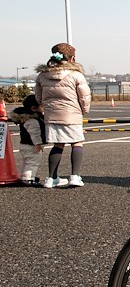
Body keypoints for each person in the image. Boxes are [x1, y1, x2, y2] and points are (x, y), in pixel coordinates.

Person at [35, 43, 91, 188]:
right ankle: (75, 176)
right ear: (72, 58)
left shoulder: (42, 75)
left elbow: (39, 97)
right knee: (77, 143)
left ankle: (51, 178)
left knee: (57, 145)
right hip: (72, 114)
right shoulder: (76, 75)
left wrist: (47, 108)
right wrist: (83, 110)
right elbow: (84, 97)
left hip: (51, 115)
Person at [9, 94, 46, 186]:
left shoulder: (25, 117)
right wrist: (38, 144)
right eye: (42, 105)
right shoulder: (32, 120)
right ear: (34, 108)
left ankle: (25, 176)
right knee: (32, 162)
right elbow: (35, 133)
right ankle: (28, 178)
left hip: (24, 145)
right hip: (31, 145)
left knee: (27, 162)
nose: (44, 107)